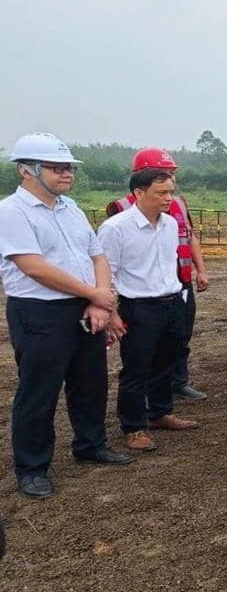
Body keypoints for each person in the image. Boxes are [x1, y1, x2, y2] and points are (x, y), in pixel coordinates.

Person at [0, 133, 133, 498]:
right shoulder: (11, 212)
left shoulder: (70, 208)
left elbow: (97, 255)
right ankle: (32, 467)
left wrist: (98, 301)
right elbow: (33, 267)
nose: (66, 174)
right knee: (38, 389)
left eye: (69, 167)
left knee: (90, 380)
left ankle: (90, 444)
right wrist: (95, 294)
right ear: (27, 170)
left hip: (84, 306)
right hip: (40, 312)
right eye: (57, 168)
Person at [99, 169, 200, 452]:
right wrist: (113, 311)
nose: (169, 198)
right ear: (139, 194)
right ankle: (133, 426)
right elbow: (108, 273)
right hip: (138, 307)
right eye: (162, 193)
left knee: (167, 360)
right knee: (137, 367)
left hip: (170, 301)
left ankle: (160, 412)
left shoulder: (169, 224)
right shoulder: (115, 228)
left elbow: (168, 264)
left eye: (170, 191)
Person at [107, 147, 210, 401]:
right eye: (164, 176)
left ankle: (172, 391)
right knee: (140, 358)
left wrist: (200, 270)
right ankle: (136, 418)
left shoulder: (175, 211)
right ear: (140, 184)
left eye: (171, 176)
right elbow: (108, 265)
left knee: (175, 342)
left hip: (176, 285)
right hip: (140, 297)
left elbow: (189, 237)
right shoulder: (119, 212)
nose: (169, 187)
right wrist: (111, 307)